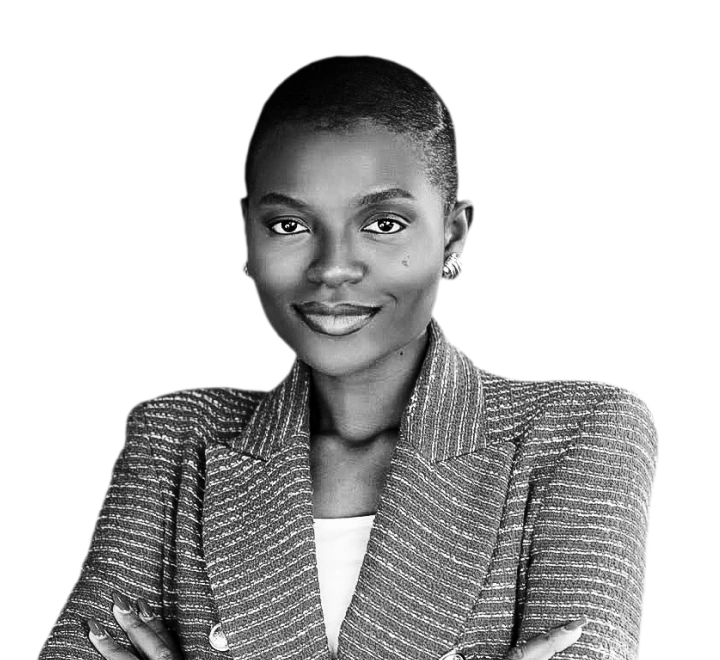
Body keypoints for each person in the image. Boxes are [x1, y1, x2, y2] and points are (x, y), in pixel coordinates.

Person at [38, 55, 658, 660]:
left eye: (384, 223)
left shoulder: (583, 427)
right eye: (288, 225)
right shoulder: (176, 434)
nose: (333, 268)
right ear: (245, 235)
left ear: (455, 230)